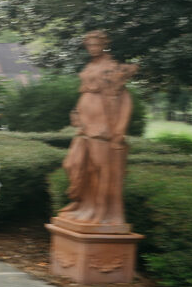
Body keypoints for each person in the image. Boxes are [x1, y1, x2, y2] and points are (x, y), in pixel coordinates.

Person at [58, 30, 136, 226]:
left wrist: (119, 130)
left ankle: (98, 210)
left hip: (101, 125)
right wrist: (76, 111)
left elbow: (125, 99)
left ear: (103, 45)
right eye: (89, 45)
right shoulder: (90, 65)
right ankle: (81, 203)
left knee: (99, 170)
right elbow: (85, 93)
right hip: (84, 125)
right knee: (73, 164)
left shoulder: (111, 67)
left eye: (96, 44)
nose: (92, 48)